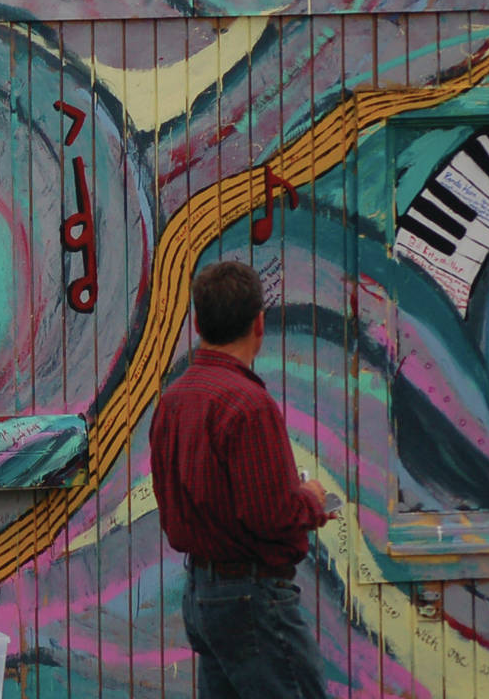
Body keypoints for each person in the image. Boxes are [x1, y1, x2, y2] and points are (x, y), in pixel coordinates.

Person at [150, 259, 335, 699]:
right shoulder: (249, 405)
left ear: (197, 322)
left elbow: (170, 497)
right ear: (259, 323)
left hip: (203, 594)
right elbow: (269, 515)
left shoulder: (174, 400)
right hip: (252, 599)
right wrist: (309, 499)